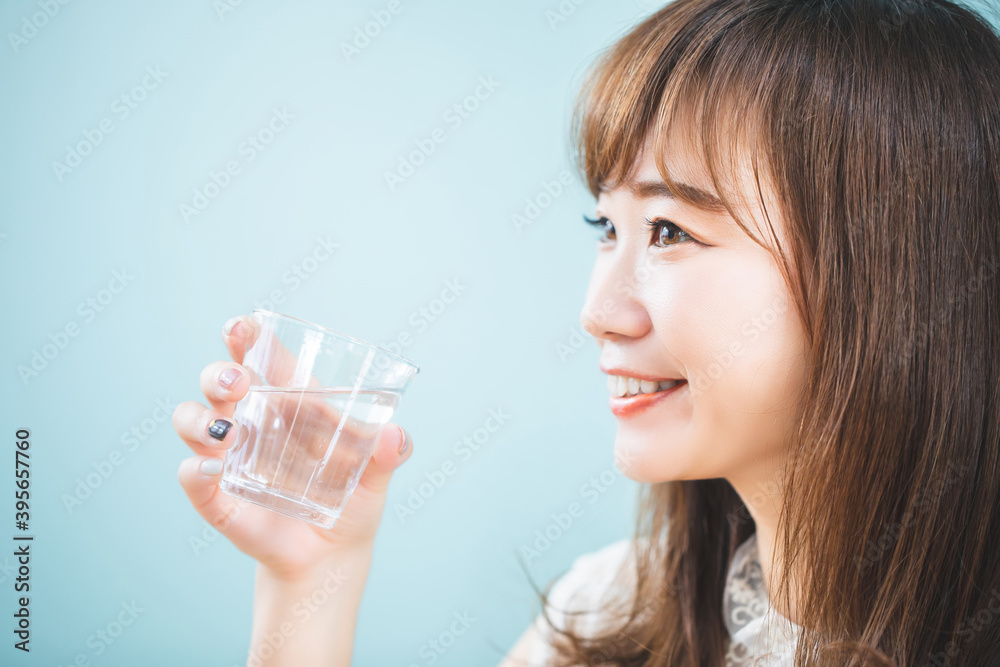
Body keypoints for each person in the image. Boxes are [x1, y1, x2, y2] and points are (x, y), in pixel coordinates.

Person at [171, 0, 1000, 664]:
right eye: (606, 226)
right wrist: (311, 575)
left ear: (896, 272)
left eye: (671, 230)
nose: (599, 309)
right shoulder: (602, 616)